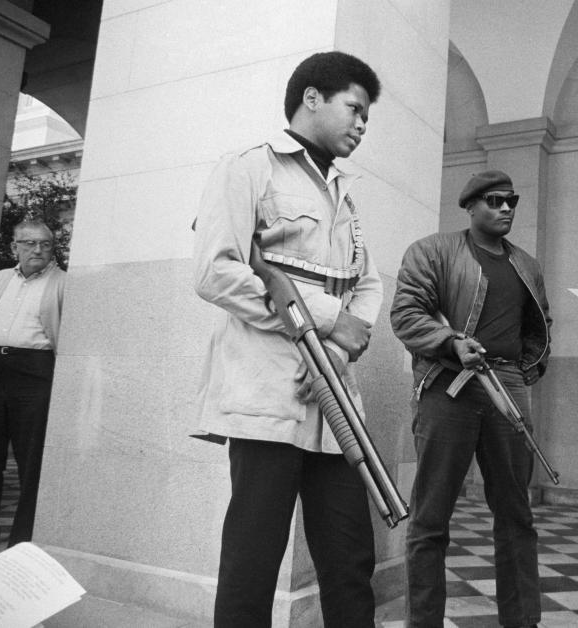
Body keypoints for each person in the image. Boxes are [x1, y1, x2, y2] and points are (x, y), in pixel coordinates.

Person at [192, 51, 383, 628]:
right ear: (312, 98)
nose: (361, 124)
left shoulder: (343, 193)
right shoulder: (248, 167)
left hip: (335, 402)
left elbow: (366, 283)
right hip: (268, 394)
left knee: (350, 558)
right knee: (253, 562)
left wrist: (343, 343)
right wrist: (322, 322)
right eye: (355, 108)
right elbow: (216, 272)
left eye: (367, 117)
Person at [390, 170, 551, 628]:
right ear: (470, 206)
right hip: (448, 387)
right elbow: (405, 313)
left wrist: (526, 370)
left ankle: (522, 621)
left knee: (516, 513)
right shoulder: (433, 251)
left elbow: (540, 324)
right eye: (495, 201)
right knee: (431, 516)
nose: (506, 208)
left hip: (508, 387)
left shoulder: (527, 264)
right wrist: (450, 342)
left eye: (511, 200)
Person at [0, 220, 66, 562]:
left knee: (31, 465)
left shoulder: (61, 283)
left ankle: (19, 554)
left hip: (35, 373)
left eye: (45, 244)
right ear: (15, 246)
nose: (38, 250)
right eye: (29, 243)